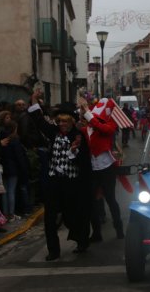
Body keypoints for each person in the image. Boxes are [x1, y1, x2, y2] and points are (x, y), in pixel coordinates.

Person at [28, 92, 91, 259]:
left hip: (72, 183)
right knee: (50, 219)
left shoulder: (79, 137)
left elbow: (84, 162)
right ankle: (53, 251)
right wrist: (34, 100)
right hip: (54, 181)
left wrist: (73, 153)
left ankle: (81, 240)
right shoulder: (53, 132)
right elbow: (39, 121)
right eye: (60, 121)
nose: (62, 124)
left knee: (72, 217)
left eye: (65, 121)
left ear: (72, 122)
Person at [80, 98, 125, 241]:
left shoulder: (109, 125)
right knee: (93, 201)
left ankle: (119, 229)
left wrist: (88, 113)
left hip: (107, 168)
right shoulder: (85, 129)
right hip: (93, 168)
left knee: (111, 199)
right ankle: (96, 233)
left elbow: (103, 128)